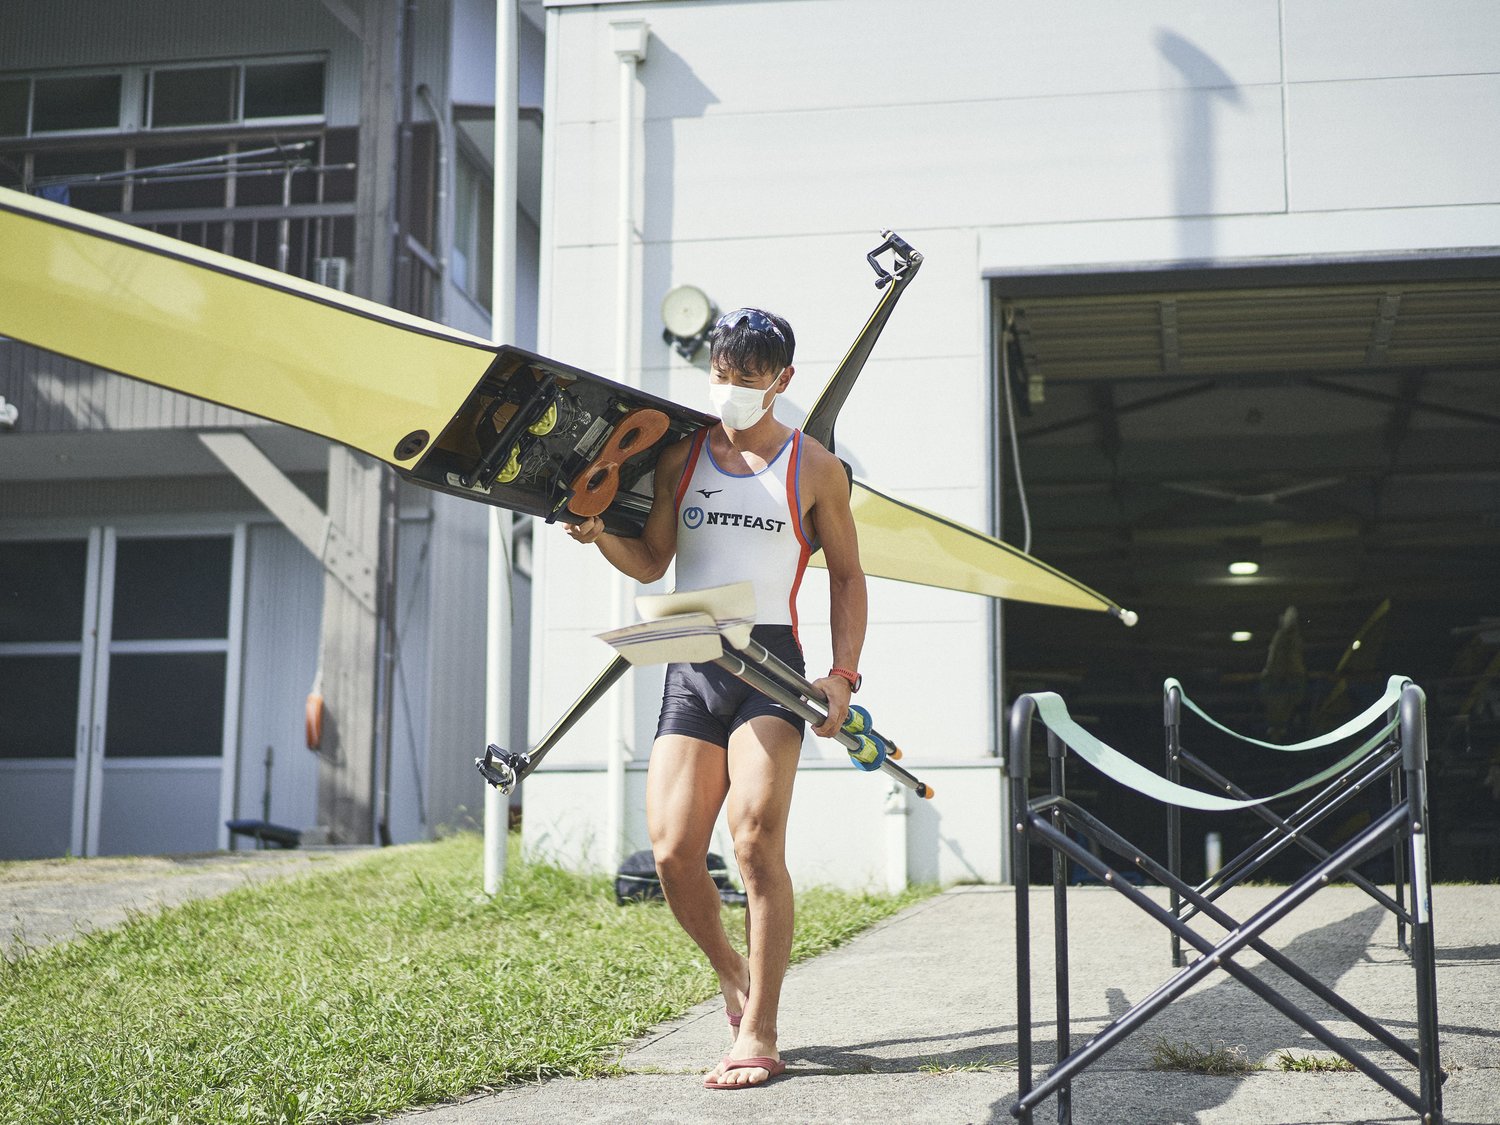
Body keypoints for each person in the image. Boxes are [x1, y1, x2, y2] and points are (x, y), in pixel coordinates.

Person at [566, 307, 866, 1089]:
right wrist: (597, 530)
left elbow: (847, 576)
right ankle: (731, 967)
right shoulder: (683, 456)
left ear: (782, 382)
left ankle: (760, 1031)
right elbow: (654, 558)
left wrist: (842, 673)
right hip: (692, 654)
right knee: (670, 850)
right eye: (720, 376)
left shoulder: (815, 468)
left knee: (755, 842)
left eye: (745, 380)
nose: (727, 390)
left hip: (771, 665)